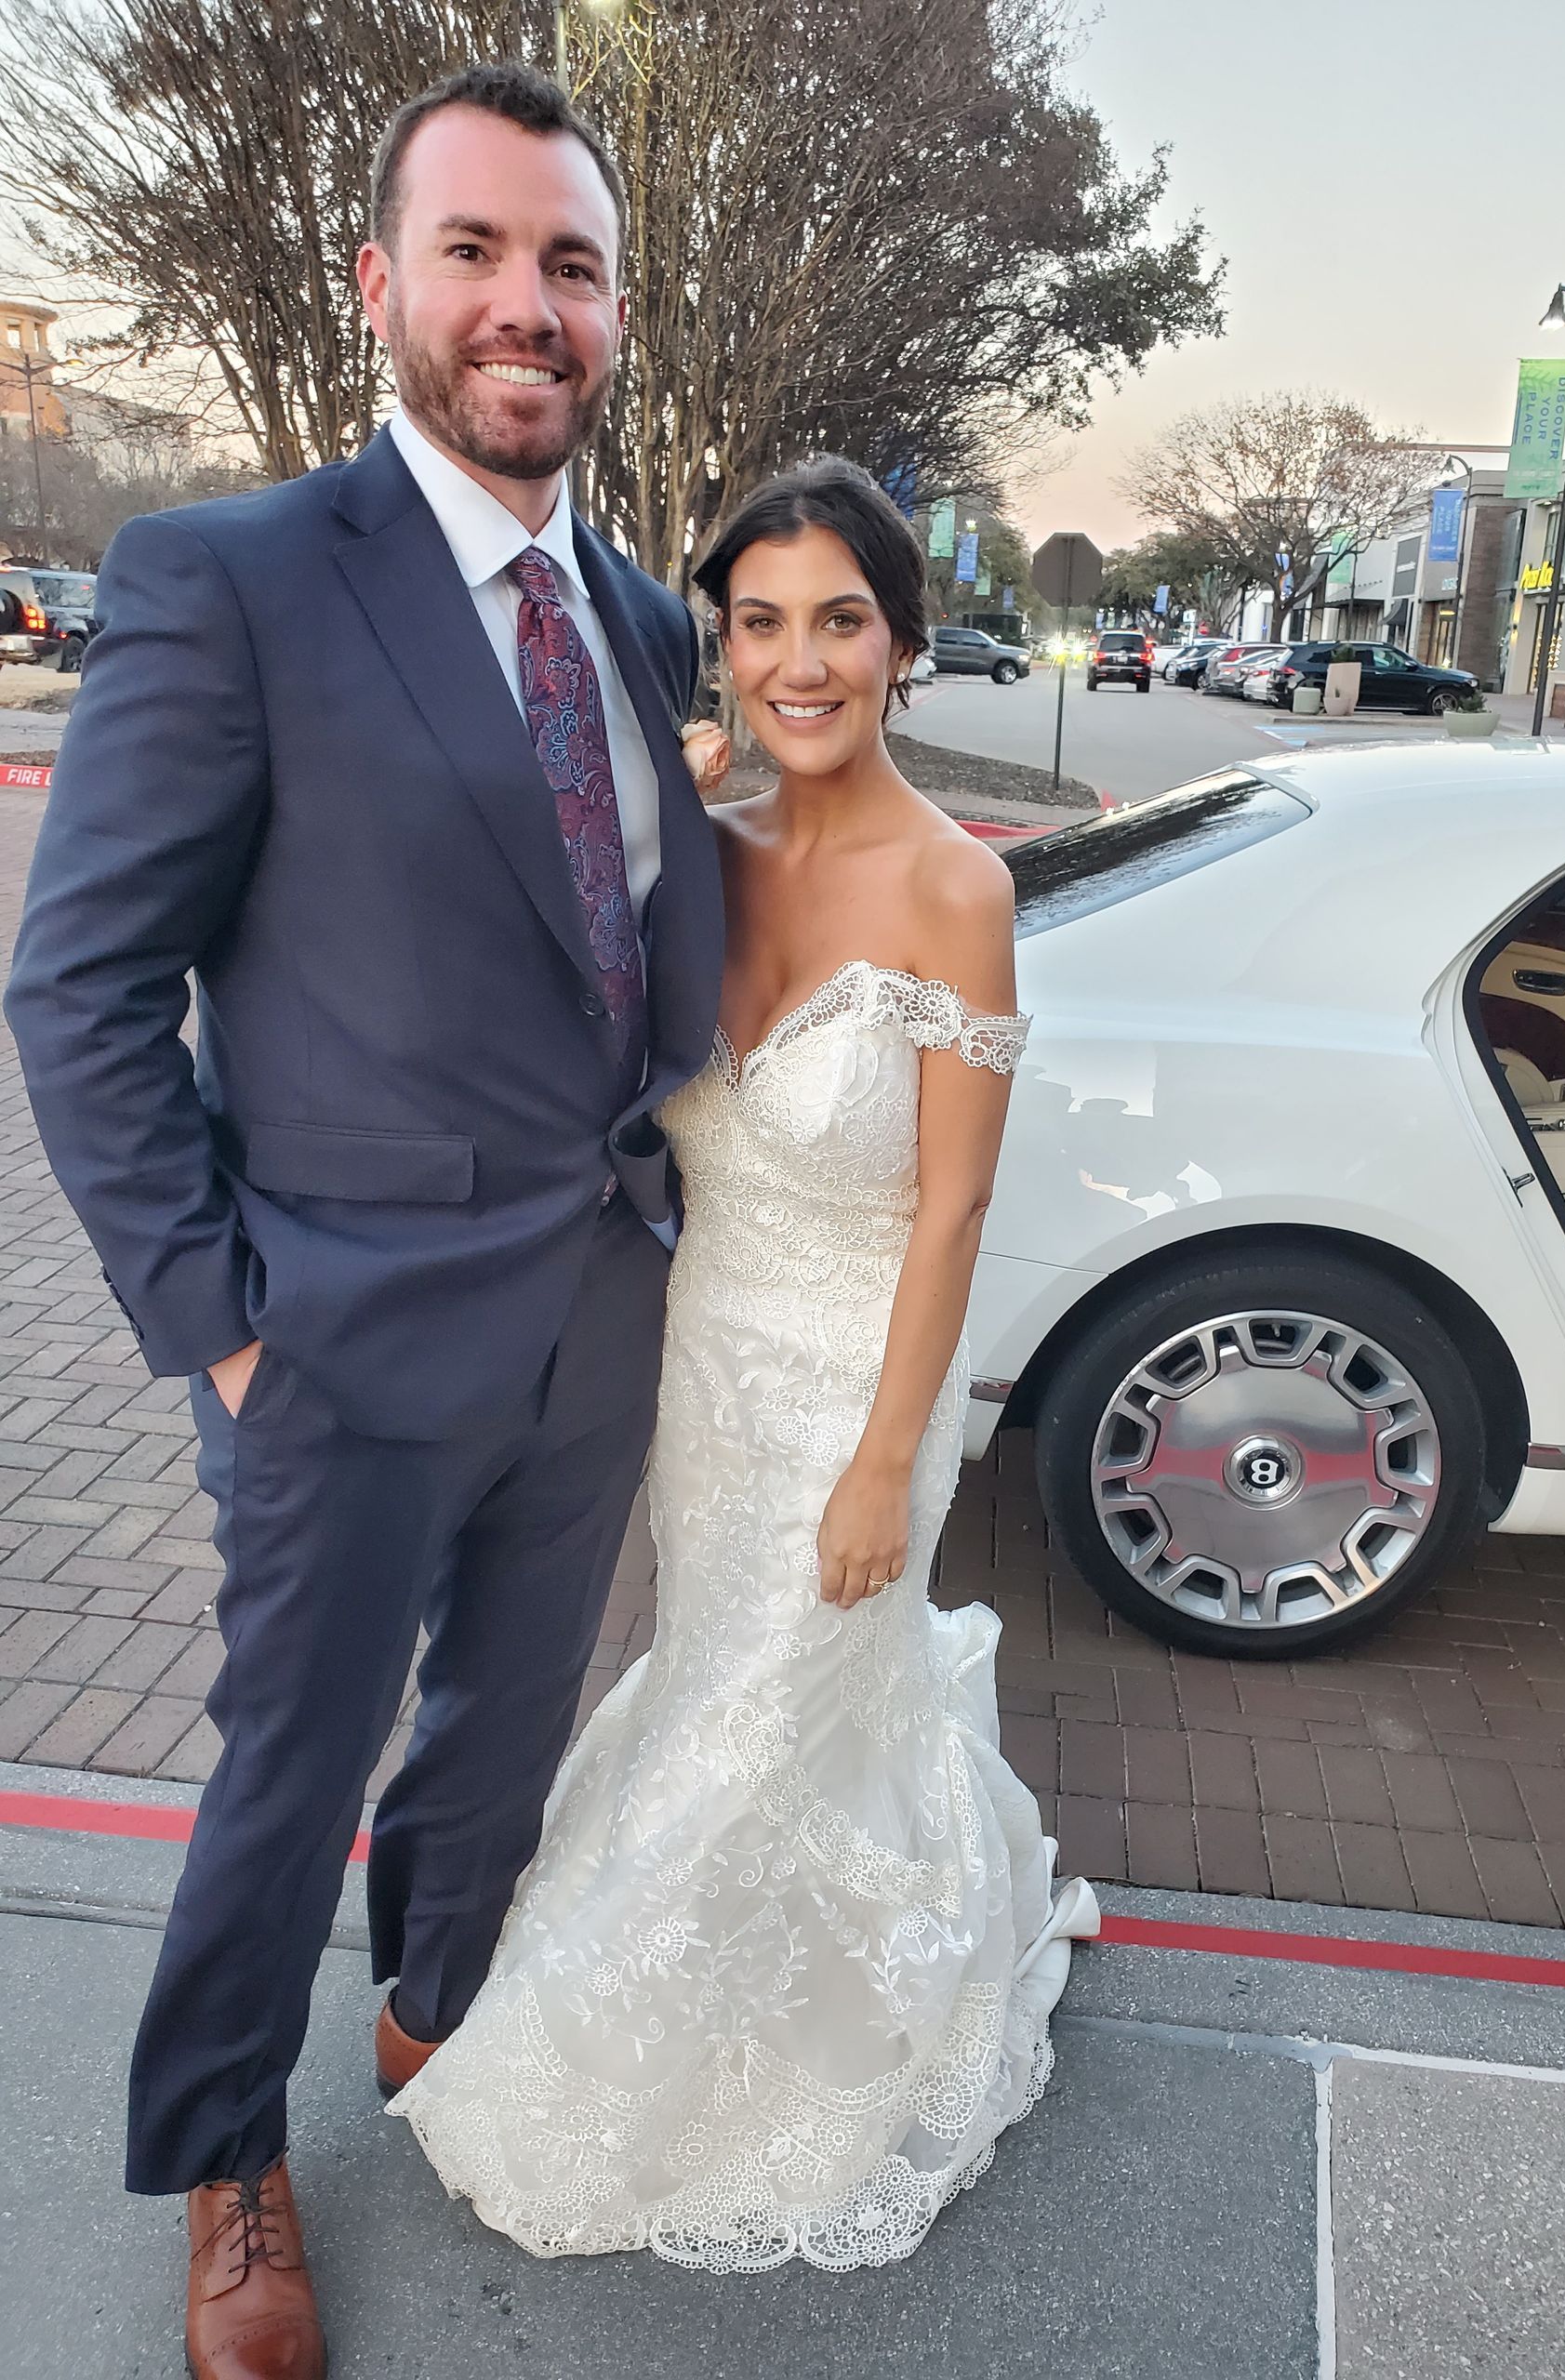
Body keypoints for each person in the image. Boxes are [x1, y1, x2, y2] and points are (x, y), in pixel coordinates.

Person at [5, 63, 727, 2380]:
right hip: (329, 1330)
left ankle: (435, 2010)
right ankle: (227, 2147)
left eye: (573, 264)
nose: (530, 304)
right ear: (383, 286)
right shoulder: (225, 580)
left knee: (502, 1731)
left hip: (594, 1309)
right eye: (479, 252)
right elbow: (83, 984)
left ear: (615, 310)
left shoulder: (635, 615)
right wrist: (219, 1324)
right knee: (288, 1764)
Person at [393, 456, 1099, 2269]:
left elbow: (949, 1213)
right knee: (719, 1676)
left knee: (772, 1692)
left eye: (841, 619)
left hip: (864, 1372)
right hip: (706, 1362)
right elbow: (528, 1015)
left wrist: (886, 1458)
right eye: (761, 621)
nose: (800, 661)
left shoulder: (958, 891)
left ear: (903, 641)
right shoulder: (693, 855)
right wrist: (637, 821)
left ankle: (657, 2047)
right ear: (720, 647)